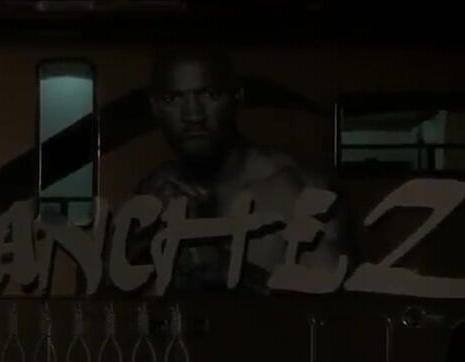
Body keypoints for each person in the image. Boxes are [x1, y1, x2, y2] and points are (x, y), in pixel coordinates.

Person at [135, 47, 346, 293]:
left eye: (209, 95)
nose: (192, 115)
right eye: (173, 99)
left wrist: (219, 262)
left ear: (237, 98)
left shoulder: (297, 190)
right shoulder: (154, 190)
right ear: (155, 107)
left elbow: (337, 308)